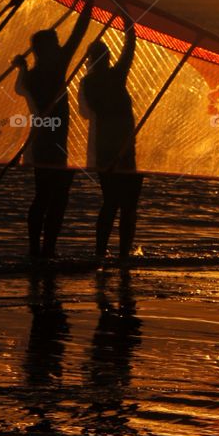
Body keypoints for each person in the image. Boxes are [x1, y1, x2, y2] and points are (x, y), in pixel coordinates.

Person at [15, 0, 92, 259]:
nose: (61, 46)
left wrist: (21, 67)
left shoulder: (32, 76)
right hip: (52, 144)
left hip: (43, 144)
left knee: (43, 196)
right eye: (56, 43)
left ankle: (38, 248)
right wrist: (90, 1)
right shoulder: (55, 66)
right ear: (46, 50)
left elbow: (21, 86)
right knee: (56, 198)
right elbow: (80, 33)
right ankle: (45, 250)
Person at [79, 13, 142, 263]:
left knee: (115, 203)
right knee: (122, 205)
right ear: (101, 59)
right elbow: (129, 49)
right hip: (118, 149)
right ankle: (116, 255)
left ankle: (106, 253)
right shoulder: (110, 78)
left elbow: (129, 49)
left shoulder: (93, 81)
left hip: (113, 147)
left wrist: (129, 24)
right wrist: (128, 24)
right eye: (104, 56)